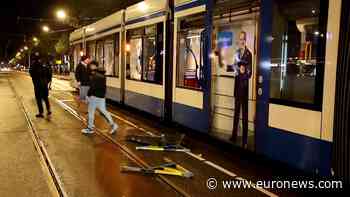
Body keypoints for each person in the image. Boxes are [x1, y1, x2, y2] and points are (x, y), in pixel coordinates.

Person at [81, 61, 118, 134]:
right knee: (104, 111)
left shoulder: (95, 75)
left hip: (94, 96)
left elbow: (92, 87)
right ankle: (113, 125)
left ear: (94, 66)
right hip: (101, 96)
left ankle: (90, 128)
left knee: (91, 111)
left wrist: (88, 96)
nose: (90, 67)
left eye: (91, 65)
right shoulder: (102, 74)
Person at [230, 31, 252, 148]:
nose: (241, 41)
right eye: (240, 39)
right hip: (237, 86)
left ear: (245, 40)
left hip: (244, 87)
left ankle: (244, 139)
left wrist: (243, 72)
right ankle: (234, 135)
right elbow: (234, 67)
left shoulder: (249, 54)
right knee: (236, 112)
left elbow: (250, 73)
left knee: (245, 114)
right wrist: (236, 69)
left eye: (243, 39)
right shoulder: (237, 53)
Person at [29, 52, 52, 118]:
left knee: (38, 99)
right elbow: (49, 74)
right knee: (45, 98)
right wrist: (47, 81)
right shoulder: (45, 65)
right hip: (44, 84)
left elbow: (31, 73)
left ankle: (41, 112)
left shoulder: (33, 65)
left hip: (37, 85)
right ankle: (48, 110)